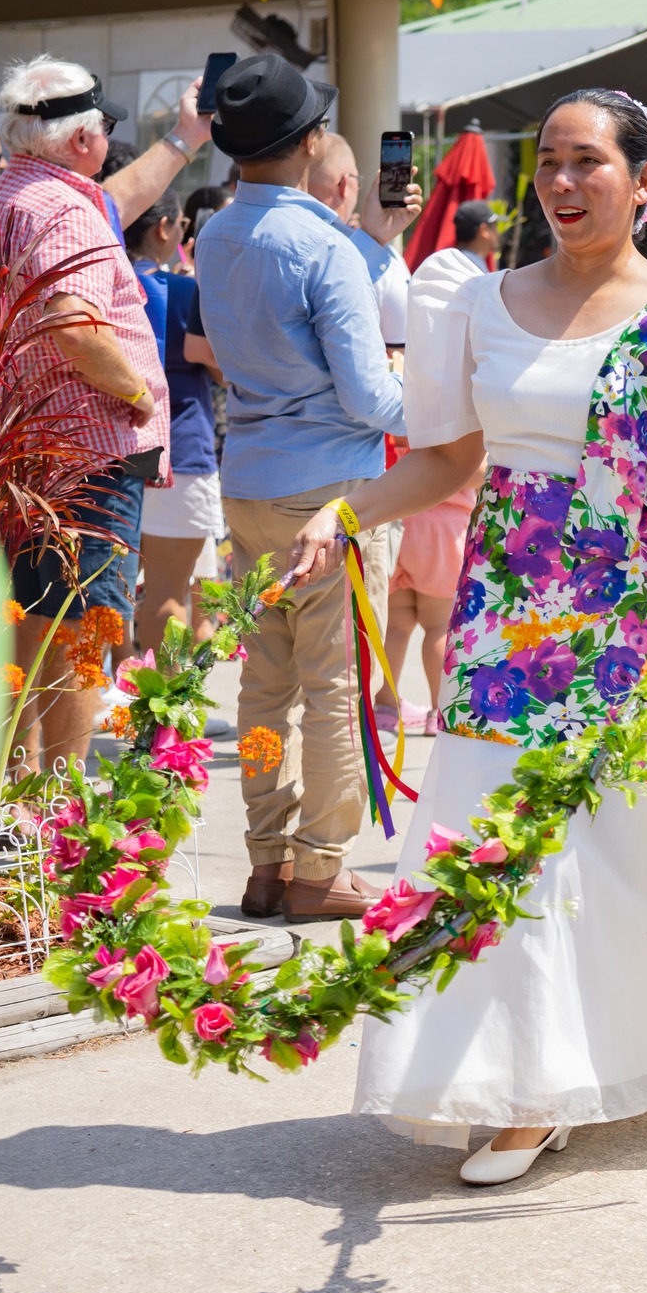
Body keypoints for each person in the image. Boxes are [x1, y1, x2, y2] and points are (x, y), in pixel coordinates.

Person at [287, 87, 647, 1183]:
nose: (560, 180)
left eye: (587, 161)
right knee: (505, 830)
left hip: (639, 598)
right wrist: (344, 510)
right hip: (508, 604)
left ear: (643, 185)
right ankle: (525, 1087)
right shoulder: (475, 300)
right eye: (547, 160)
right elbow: (448, 459)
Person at [196, 54, 408, 924]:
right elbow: (367, 396)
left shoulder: (214, 231)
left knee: (263, 687)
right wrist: (423, 389)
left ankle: (266, 859)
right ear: (312, 140)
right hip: (329, 488)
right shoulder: (322, 242)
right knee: (334, 687)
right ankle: (320, 866)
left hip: (246, 476)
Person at [0, 55, 173, 771]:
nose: (106, 137)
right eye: (103, 125)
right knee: (82, 627)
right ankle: (62, 798)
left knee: (34, 619)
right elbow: (75, 324)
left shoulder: (9, 190)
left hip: (34, 444)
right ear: (79, 140)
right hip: (87, 447)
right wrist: (137, 393)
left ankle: (24, 784)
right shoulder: (66, 204)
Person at [372, 218, 497, 735]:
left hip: (400, 520)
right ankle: (444, 710)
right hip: (445, 530)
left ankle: (386, 702)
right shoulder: (461, 395)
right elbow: (470, 470)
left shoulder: (401, 380)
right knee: (440, 628)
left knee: (397, 624)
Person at [125, 193, 225, 652]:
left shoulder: (106, 286)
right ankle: (168, 719)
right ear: (164, 228)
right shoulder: (186, 292)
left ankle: (126, 694)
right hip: (182, 452)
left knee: (125, 588)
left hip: (120, 449)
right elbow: (222, 369)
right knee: (170, 590)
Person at [304, 131, 421, 350]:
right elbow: (401, 353)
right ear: (344, 184)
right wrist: (373, 237)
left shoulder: (278, 243)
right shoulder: (383, 260)